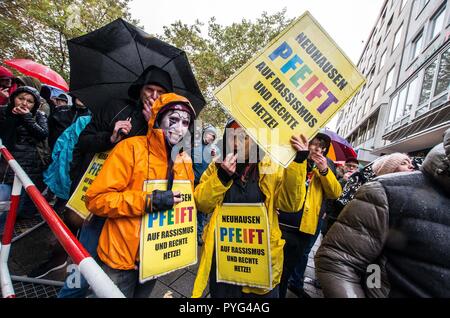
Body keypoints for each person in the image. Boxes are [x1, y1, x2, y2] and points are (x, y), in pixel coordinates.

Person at [56, 65, 173, 298]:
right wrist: (110, 137)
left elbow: (170, 163)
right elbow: (83, 142)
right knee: (82, 265)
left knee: (112, 276)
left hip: (132, 211)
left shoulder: (169, 123)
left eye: (160, 92)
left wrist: (155, 125)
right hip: (99, 201)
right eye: (150, 89)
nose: (153, 96)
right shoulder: (115, 107)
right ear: (140, 89)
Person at [315, 129, 450, 297]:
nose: (411, 166)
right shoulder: (382, 190)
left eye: (410, 162)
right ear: (389, 168)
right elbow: (336, 198)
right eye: (404, 163)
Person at [85, 93, 196, 298]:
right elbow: (96, 199)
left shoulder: (185, 161)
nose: (179, 128)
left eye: (185, 122)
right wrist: (148, 201)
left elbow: (185, 206)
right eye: (173, 119)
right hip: (120, 260)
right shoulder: (130, 148)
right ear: (158, 118)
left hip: (155, 260)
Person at [192, 119, 309, 298]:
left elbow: (290, 204)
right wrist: (222, 177)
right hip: (224, 260)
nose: (238, 142)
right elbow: (201, 203)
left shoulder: (272, 166)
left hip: (259, 261)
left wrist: (298, 163)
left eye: (245, 137)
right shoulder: (217, 164)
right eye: (234, 136)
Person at [277, 132, 342, 298]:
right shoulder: (292, 158)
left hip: (305, 227)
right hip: (281, 223)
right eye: (315, 144)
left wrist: (325, 171)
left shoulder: (326, 166)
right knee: (273, 268)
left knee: (287, 270)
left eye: (322, 147)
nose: (318, 149)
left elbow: (335, 193)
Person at [0, 86, 49, 233]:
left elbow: (42, 134)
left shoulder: (38, 116)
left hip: (27, 164)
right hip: (5, 163)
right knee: (3, 197)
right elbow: (4, 136)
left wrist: (27, 118)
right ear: (13, 98)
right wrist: (13, 118)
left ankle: (7, 232)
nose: (24, 103)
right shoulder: (3, 111)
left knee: (18, 201)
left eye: (29, 101)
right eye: (21, 98)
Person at [192, 124, 219, 245]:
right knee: (189, 210)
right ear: (204, 133)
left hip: (203, 185)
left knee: (201, 212)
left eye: (213, 137)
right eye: (209, 134)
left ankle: (198, 235)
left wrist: (214, 157)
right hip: (191, 183)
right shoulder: (194, 147)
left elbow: (213, 169)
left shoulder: (213, 151)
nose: (211, 138)